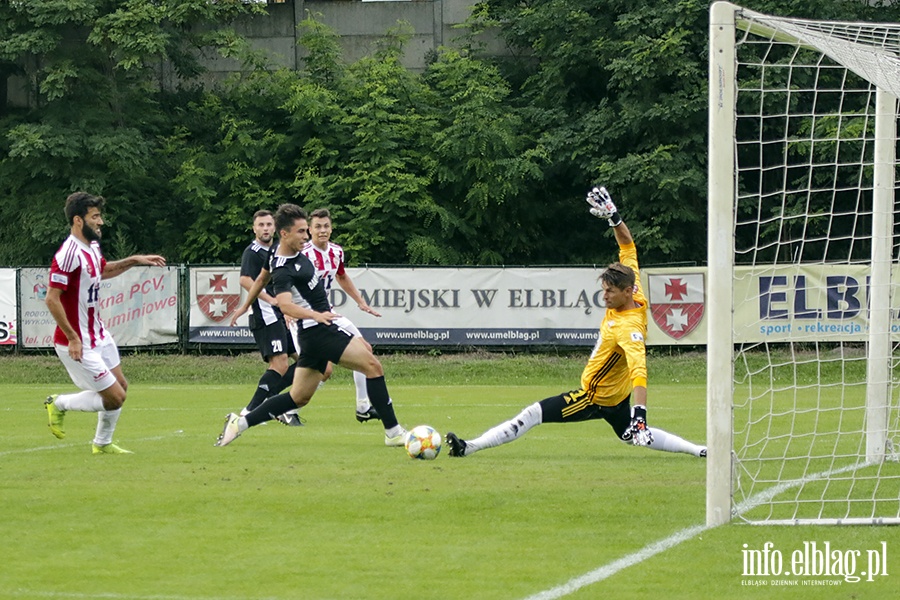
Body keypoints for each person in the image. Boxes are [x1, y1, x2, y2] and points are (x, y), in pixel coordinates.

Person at [445, 186, 706, 459]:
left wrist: (640, 413)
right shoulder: (635, 288)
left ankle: (468, 447)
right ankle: (700, 451)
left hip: (594, 398)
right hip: (616, 398)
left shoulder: (628, 328)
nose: (604, 296)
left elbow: (639, 370)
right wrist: (614, 217)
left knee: (534, 413)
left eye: (610, 292)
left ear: (626, 292)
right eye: (603, 290)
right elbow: (628, 246)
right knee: (633, 435)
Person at [219, 203, 407, 447]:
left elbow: (263, 276)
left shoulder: (277, 252)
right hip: (319, 330)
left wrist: (245, 305)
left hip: (312, 335)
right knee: (372, 366)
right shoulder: (285, 269)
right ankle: (393, 432)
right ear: (284, 233)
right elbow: (285, 305)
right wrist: (316, 315)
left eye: (307, 230)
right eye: (301, 232)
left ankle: (240, 423)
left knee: (298, 397)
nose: (306, 236)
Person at [43, 192, 167, 454]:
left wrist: (134, 260)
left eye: (100, 216)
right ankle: (59, 403)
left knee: (121, 386)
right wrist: (74, 338)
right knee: (114, 398)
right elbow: (52, 299)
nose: (101, 222)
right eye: (95, 217)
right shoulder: (67, 254)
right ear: (78, 220)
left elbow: (103, 270)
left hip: (97, 333)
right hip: (76, 340)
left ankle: (102, 444)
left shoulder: (92, 247)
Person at [304, 207, 381, 423]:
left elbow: (342, 276)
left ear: (331, 228)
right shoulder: (303, 254)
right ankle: (287, 405)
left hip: (328, 313)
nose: (322, 230)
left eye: (326, 226)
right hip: (306, 317)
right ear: (309, 229)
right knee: (320, 369)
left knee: (365, 349)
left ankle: (363, 406)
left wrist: (361, 302)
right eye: (317, 226)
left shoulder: (336, 251)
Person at [238, 209, 302, 427]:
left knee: (306, 360)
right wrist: (271, 300)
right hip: (265, 316)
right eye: (261, 225)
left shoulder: (278, 250)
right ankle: (250, 410)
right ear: (254, 228)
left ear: (275, 227)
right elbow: (246, 280)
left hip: (282, 315)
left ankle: (274, 403)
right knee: (280, 363)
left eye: (268, 225)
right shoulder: (253, 252)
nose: (265, 229)